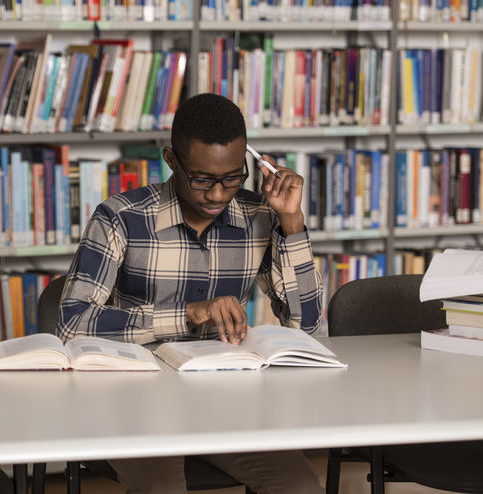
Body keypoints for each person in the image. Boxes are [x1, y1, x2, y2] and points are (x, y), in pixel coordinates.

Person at [56, 93, 324, 494]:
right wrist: (187, 313)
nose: (217, 194)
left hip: (226, 400)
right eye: (202, 179)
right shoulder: (121, 217)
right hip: (135, 399)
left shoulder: (260, 218)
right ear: (171, 159)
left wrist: (291, 222)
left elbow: (310, 328)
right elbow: (72, 323)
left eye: (232, 178)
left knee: (301, 487)